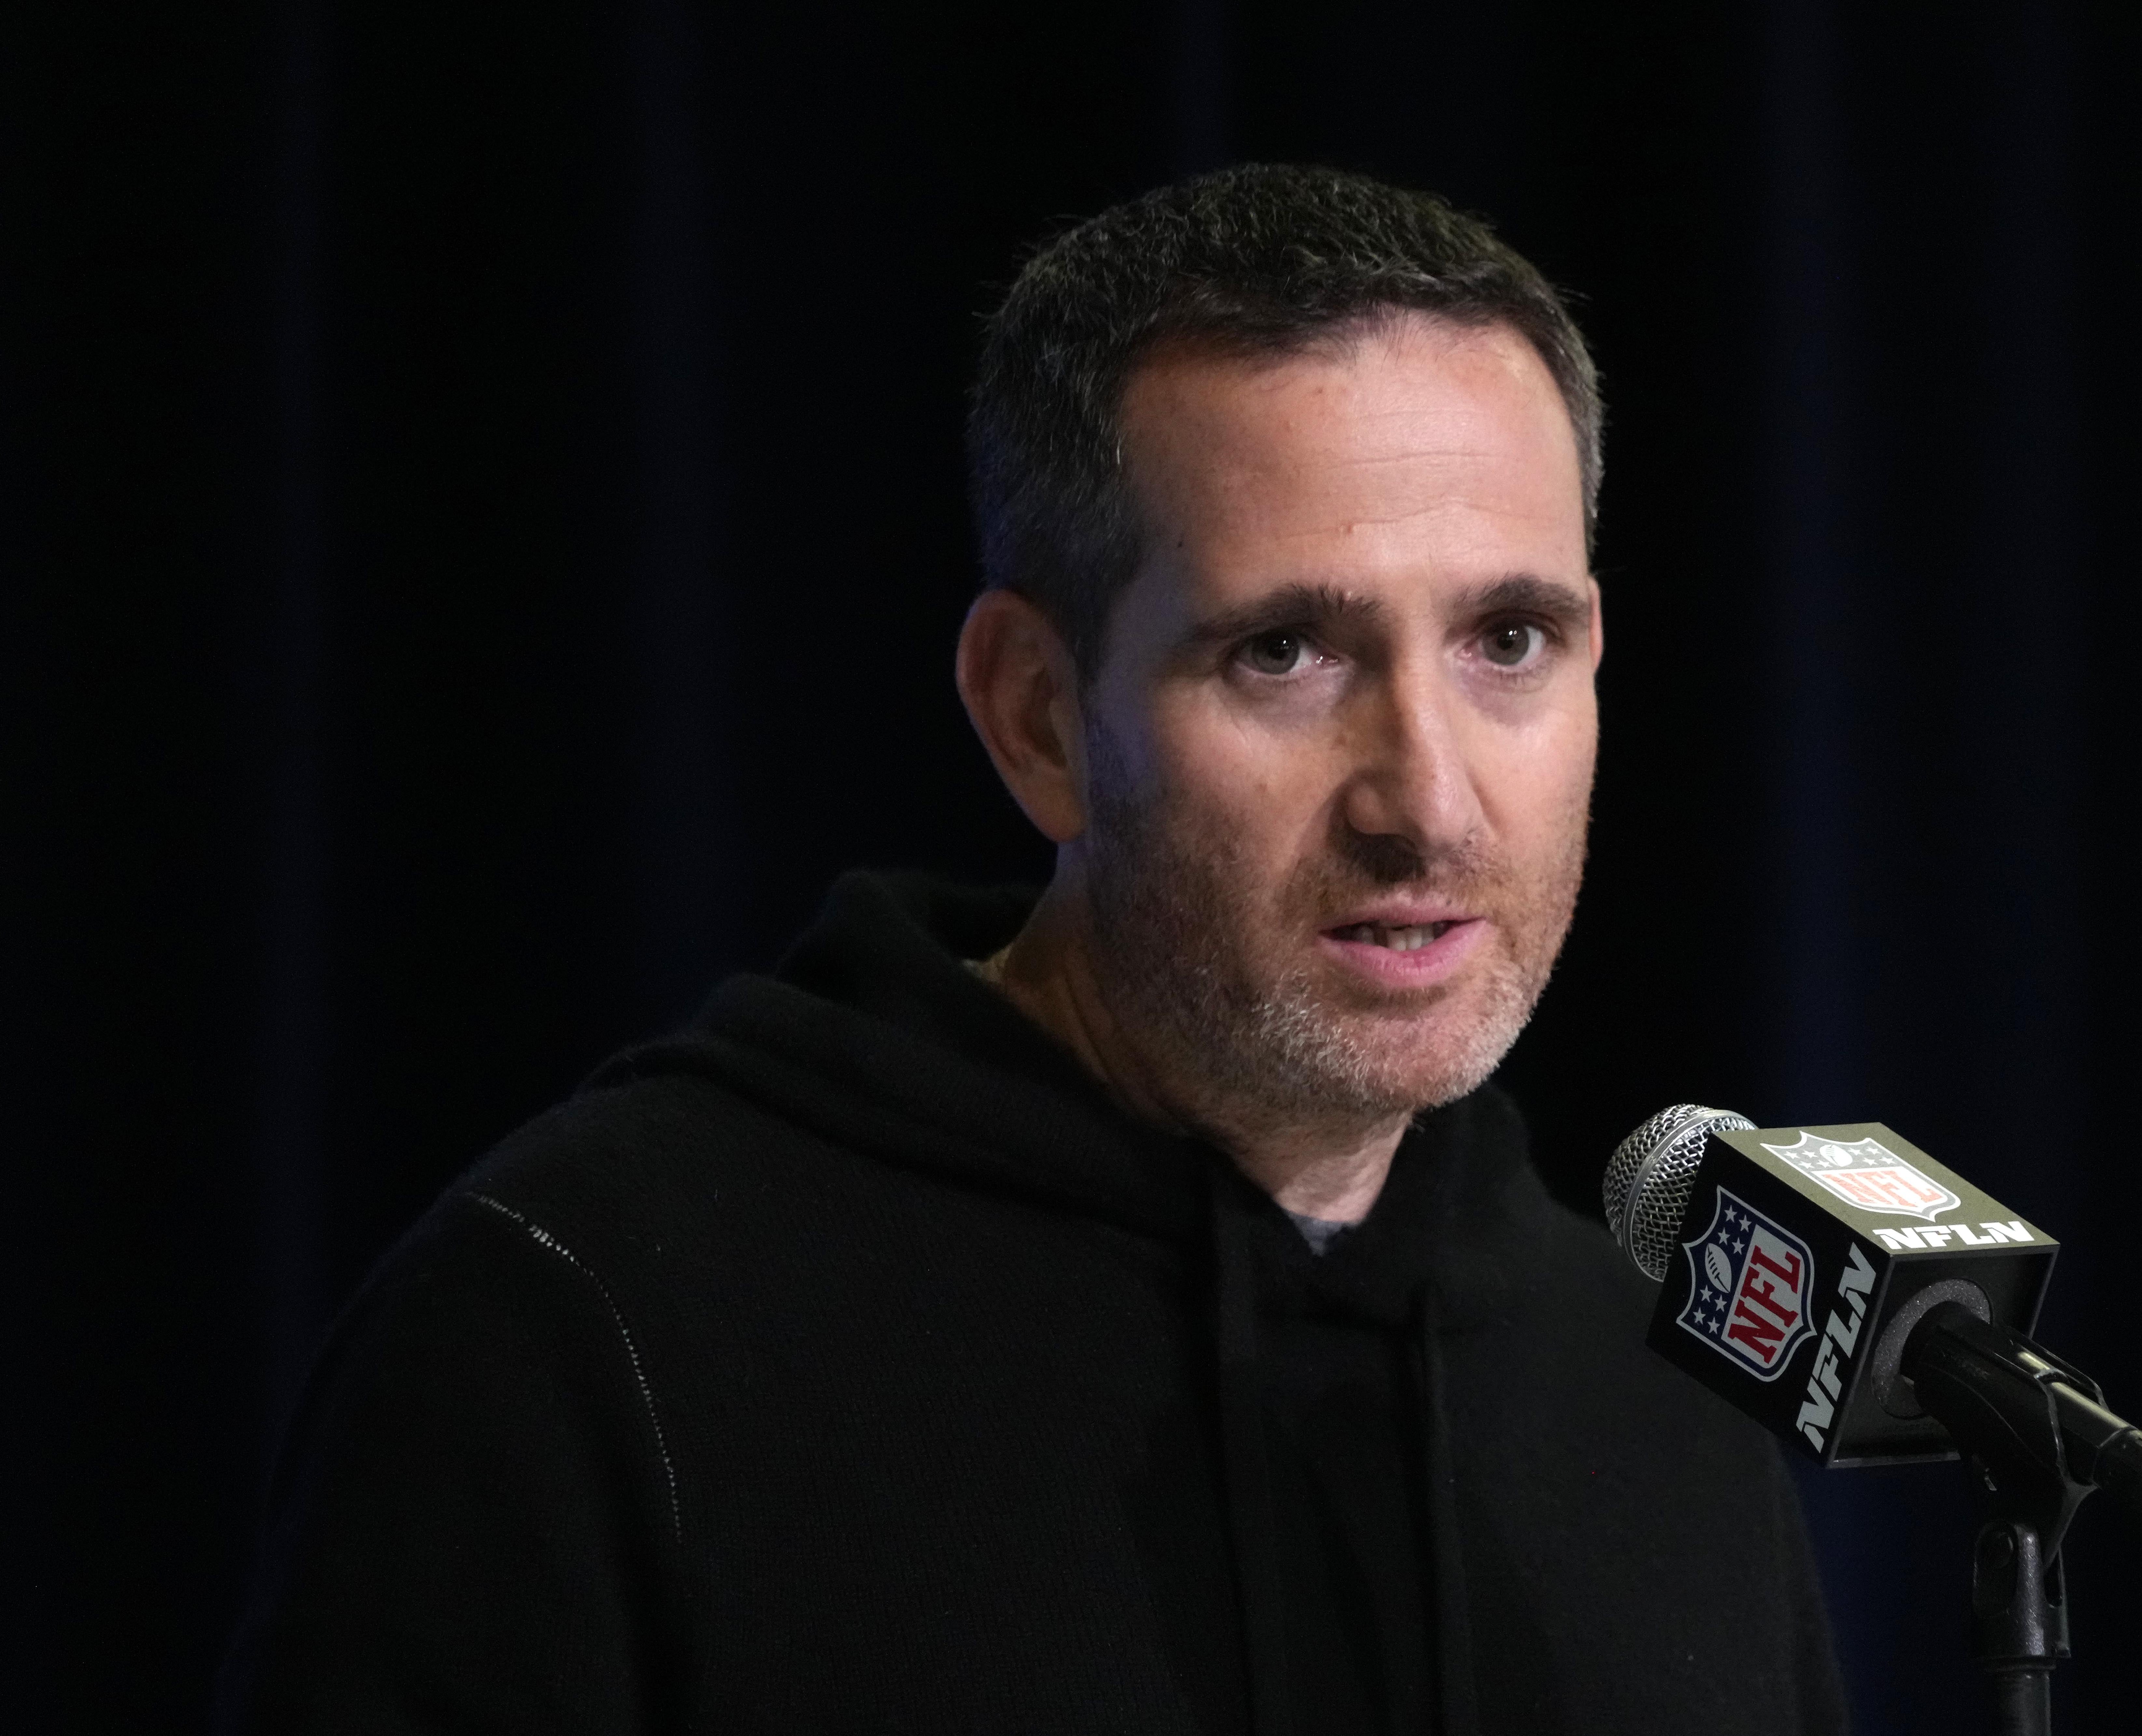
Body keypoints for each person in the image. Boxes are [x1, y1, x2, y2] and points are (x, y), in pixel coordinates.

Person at [217, 163, 1845, 1736]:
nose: (1426, 798)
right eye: (1283, 651)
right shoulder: (580, 1326)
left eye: (1508, 641)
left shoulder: (1667, 1400)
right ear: (1035, 715)